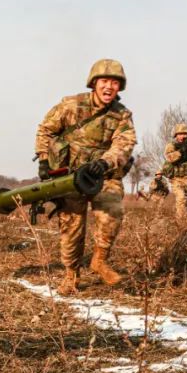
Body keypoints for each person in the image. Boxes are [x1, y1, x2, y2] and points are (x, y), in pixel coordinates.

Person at [35, 59, 136, 295]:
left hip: (103, 175)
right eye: (104, 81)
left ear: (119, 88)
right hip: (70, 176)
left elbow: (124, 144)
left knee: (112, 211)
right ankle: (71, 275)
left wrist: (105, 162)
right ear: (94, 83)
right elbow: (45, 129)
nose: (109, 87)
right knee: (71, 228)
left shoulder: (122, 115)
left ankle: (99, 261)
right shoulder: (72, 105)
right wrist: (43, 159)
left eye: (114, 82)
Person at [163, 123, 187, 221]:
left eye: (185, 134)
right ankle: (180, 222)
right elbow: (170, 158)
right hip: (177, 180)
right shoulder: (171, 145)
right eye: (180, 134)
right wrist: (183, 150)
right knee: (181, 198)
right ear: (176, 135)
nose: (183, 136)